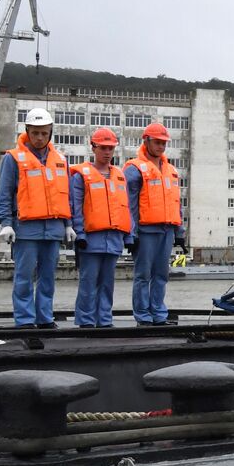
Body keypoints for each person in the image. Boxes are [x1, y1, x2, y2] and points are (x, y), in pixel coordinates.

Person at [0, 107, 73, 328]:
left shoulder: (60, 159)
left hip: (54, 228)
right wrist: (6, 223)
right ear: (27, 131)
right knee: (24, 277)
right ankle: (25, 320)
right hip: (26, 229)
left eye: (44, 133)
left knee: (48, 277)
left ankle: (44, 318)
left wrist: (68, 224)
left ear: (51, 133)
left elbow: (65, 196)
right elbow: (4, 194)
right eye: (35, 132)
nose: (40, 138)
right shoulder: (13, 159)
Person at [69, 128, 133, 328]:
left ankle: (104, 320)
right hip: (90, 239)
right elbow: (76, 206)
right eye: (103, 148)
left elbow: (126, 207)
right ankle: (86, 321)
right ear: (93, 147)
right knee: (88, 282)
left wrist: (129, 236)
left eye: (110, 148)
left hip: (113, 239)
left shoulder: (120, 176)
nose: (107, 152)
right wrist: (79, 233)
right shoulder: (81, 176)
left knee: (107, 283)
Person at [124, 122, 184, 327]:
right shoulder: (134, 169)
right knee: (143, 275)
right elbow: (129, 204)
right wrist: (131, 234)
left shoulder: (171, 170)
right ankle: (142, 316)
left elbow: (176, 202)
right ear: (146, 141)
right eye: (157, 142)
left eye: (164, 143)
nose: (161, 146)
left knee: (161, 274)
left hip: (167, 230)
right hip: (146, 230)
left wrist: (180, 232)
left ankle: (159, 314)